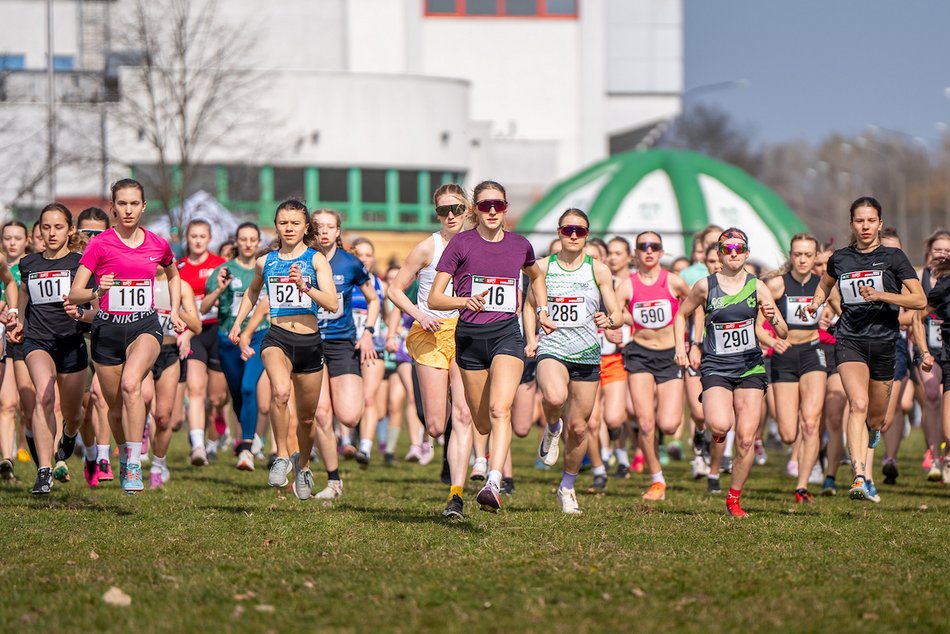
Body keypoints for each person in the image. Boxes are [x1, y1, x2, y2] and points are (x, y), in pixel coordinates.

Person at [429, 180, 554, 513]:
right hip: (469, 339)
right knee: (481, 421)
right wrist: (463, 300)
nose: (493, 211)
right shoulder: (460, 245)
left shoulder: (519, 245)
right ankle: (480, 466)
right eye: (485, 205)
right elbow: (434, 297)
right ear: (476, 209)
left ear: (506, 208)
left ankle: (493, 482)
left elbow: (536, 275)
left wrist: (541, 310)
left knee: (501, 410)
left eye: (498, 204)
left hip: (505, 335)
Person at [69, 179, 186, 494]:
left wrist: (174, 309)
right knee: (116, 408)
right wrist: (98, 289)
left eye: (135, 203)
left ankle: (134, 462)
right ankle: (123, 456)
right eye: (122, 203)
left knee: (132, 385)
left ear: (144, 206)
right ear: (113, 207)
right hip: (106, 330)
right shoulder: (100, 244)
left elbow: (173, 274)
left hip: (144, 327)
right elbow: (74, 293)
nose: (129, 209)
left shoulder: (157, 243)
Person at [807, 197, 925, 501]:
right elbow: (825, 283)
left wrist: (883, 295)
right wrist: (817, 301)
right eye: (859, 220)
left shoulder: (894, 257)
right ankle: (859, 476)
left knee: (876, 419)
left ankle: (872, 434)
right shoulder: (840, 258)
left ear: (880, 224)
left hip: (885, 342)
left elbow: (919, 300)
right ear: (852, 224)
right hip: (850, 340)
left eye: (871, 220)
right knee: (857, 404)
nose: (865, 226)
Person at [674, 228, 788, 517]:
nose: (734, 253)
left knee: (747, 438)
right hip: (716, 365)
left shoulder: (758, 286)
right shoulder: (705, 286)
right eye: (728, 249)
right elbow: (680, 315)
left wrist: (775, 321)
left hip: (750, 365)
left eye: (739, 248)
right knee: (720, 425)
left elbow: (784, 330)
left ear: (747, 253)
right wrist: (683, 347)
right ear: (719, 255)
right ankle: (716, 435)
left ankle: (734, 498)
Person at [229, 199, 337, 499]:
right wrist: (239, 324)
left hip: (309, 342)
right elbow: (252, 294)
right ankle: (279, 455)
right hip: (276, 337)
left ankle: (302, 465)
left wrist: (306, 287)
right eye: (283, 223)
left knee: (306, 417)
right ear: (276, 226)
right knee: (279, 393)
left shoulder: (316, 260)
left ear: (305, 227)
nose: (288, 228)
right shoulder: (266, 262)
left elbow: (331, 302)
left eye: (294, 223)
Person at [386, 183, 475, 518]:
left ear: (467, 210)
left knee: (464, 414)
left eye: (456, 209)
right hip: (430, 332)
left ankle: (456, 496)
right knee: (437, 425)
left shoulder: (478, 244)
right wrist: (420, 314)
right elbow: (395, 289)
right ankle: (443, 440)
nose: (450, 216)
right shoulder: (427, 247)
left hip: (466, 332)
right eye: (443, 210)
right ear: (436, 213)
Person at [528, 209, 622, 514]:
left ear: (586, 235)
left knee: (580, 429)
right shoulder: (541, 267)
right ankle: (552, 426)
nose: (573, 235)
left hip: (586, 354)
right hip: (552, 348)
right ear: (559, 232)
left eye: (579, 231)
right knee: (554, 397)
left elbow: (618, 314)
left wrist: (608, 319)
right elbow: (528, 306)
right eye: (568, 229)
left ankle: (567, 487)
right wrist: (532, 337)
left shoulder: (600, 270)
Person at [9, 204, 89, 493]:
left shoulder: (81, 264)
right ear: (39, 230)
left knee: (73, 412)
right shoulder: (28, 264)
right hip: (37, 341)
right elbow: (24, 295)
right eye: (46, 227)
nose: (52, 232)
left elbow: (94, 308)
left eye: (58, 227)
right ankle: (44, 469)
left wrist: (81, 312)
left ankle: (69, 435)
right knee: (44, 395)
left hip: (71, 343)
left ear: (69, 230)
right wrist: (17, 318)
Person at [614, 231, 689, 501]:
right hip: (639, 355)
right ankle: (657, 479)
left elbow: (696, 306)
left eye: (654, 246)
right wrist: (615, 324)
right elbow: (615, 312)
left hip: (669, 355)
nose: (649, 251)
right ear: (636, 252)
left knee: (668, 425)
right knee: (645, 423)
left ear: (661, 251)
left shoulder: (674, 282)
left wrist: (693, 341)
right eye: (643, 246)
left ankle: (667, 446)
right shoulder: (627, 285)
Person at [309, 209, 379, 499]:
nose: (324, 232)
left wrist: (368, 333)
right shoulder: (302, 260)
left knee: (349, 416)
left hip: (341, 343)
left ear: (338, 232)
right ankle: (334, 480)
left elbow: (374, 299)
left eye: (330, 227)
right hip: (309, 342)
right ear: (312, 231)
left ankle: (344, 444)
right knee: (322, 415)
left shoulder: (350, 263)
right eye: (319, 227)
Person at [762, 233, 828, 503]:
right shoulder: (776, 285)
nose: (802, 259)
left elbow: (842, 312)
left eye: (808, 255)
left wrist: (831, 319)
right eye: (798, 254)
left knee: (811, 423)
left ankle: (802, 487)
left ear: (815, 258)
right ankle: (800, 456)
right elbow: (756, 325)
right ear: (791, 255)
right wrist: (771, 341)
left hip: (813, 354)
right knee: (789, 434)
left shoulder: (823, 285)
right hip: (784, 356)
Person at [202, 222, 268, 470]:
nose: (248, 243)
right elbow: (205, 307)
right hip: (228, 338)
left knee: (249, 388)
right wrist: (219, 289)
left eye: (253, 239)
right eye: (243, 239)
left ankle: (247, 448)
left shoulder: (265, 268)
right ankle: (247, 438)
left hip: (260, 335)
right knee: (238, 394)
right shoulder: (224, 270)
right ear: (236, 242)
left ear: (259, 241)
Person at [177, 219, 228, 466]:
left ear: (209, 239)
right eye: (193, 236)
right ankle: (197, 445)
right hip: (193, 333)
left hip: (217, 331)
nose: (197, 240)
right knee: (195, 390)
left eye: (202, 236)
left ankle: (211, 431)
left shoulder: (220, 265)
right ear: (188, 238)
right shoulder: (178, 267)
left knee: (216, 398)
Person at [148, 264, 202, 488]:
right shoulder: (141, 283)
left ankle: (158, 464)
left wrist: (174, 308)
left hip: (170, 353)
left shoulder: (182, 287)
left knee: (164, 417)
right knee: (143, 399)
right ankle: (133, 452)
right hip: (144, 352)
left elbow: (196, 325)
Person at [914, 229, 950, 482]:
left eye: (947, 250)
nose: (942, 254)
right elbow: (913, 315)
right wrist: (923, 350)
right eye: (938, 249)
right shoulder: (920, 278)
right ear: (930, 251)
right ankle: (936, 454)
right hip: (935, 351)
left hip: (945, 352)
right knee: (931, 395)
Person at [350, 237, 388, 467]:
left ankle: (365, 446)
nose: (363, 259)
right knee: (349, 399)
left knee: (368, 396)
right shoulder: (344, 281)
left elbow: (391, 312)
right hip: (346, 343)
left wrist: (390, 334)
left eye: (367, 255)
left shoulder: (379, 285)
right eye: (359, 254)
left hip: (373, 345)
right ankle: (346, 438)